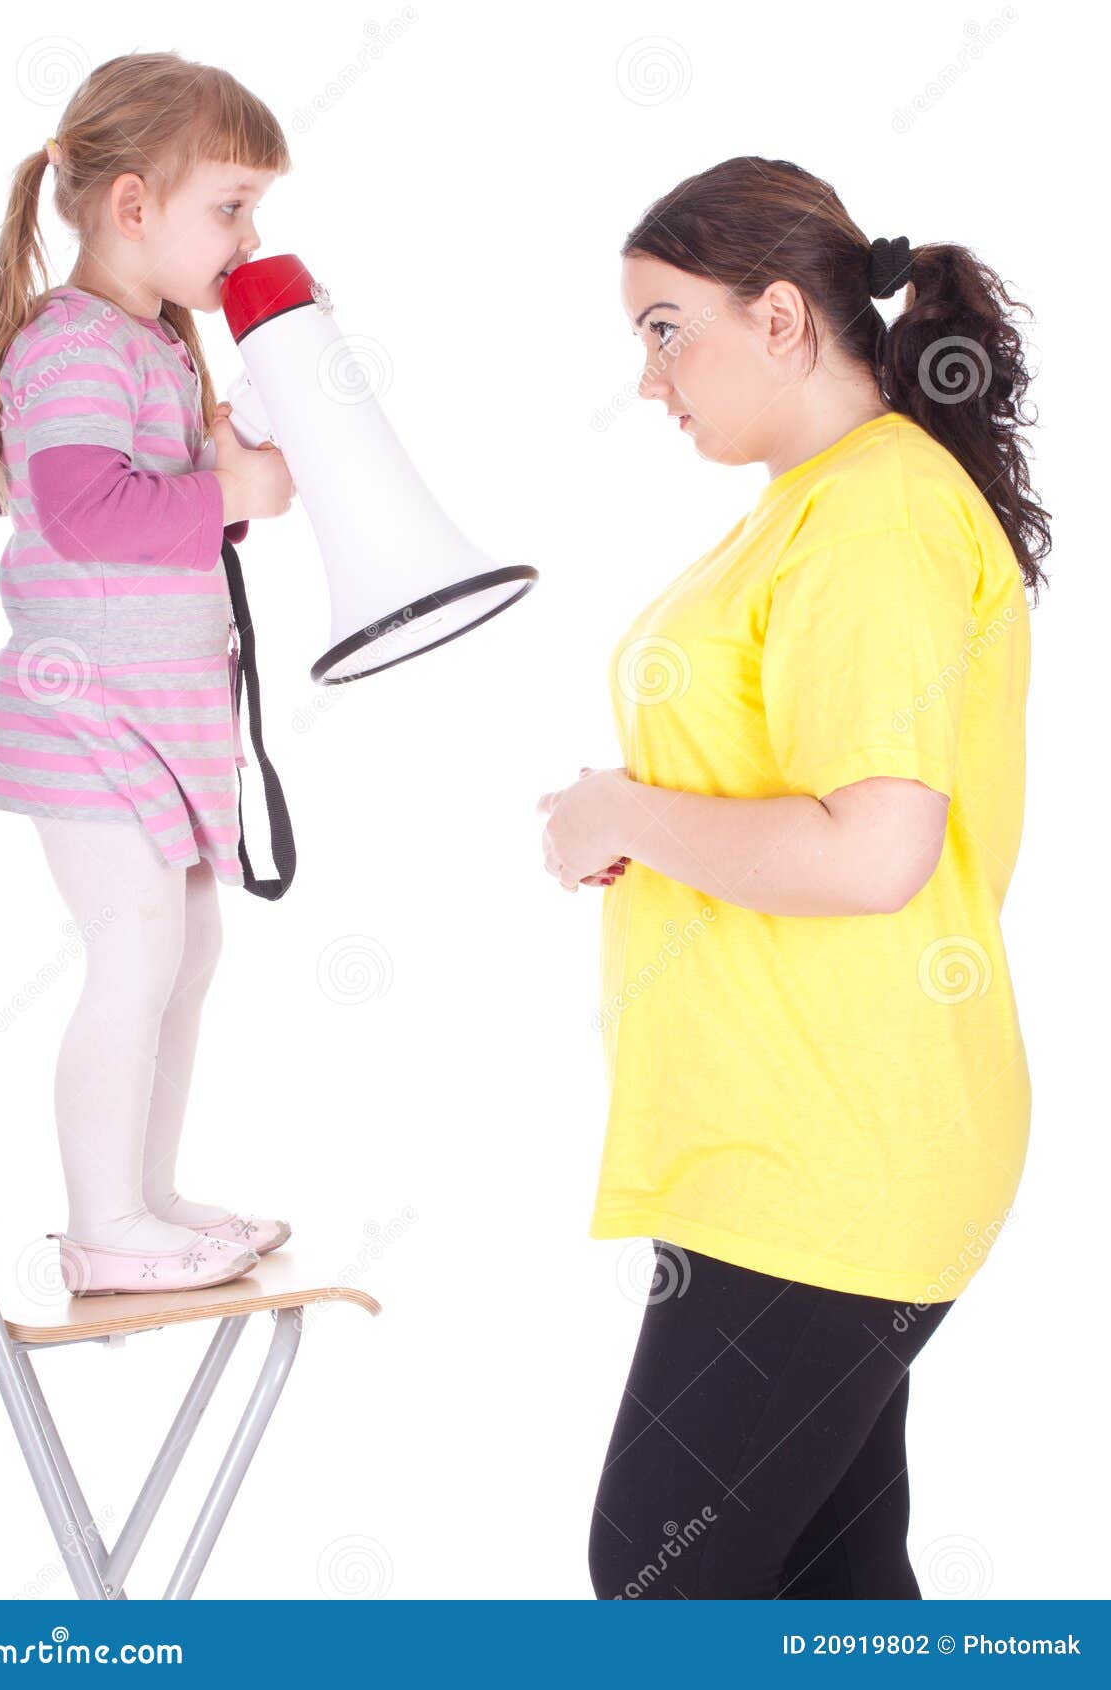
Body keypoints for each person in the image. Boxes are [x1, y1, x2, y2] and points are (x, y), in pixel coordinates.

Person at [537, 156, 1050, 1598]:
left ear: (778, 318)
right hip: (793, 1137)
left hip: (837, 1141)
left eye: (663, 328)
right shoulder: (820, 502)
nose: (648, 378)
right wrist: (644, 824)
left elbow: (874, 850)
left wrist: (620, 809)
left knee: (658, 1577)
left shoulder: (877, 515)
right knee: (829, 1588)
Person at [0, 51, 297, 1296]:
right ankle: (103, 1224)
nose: (249, 234)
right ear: (134, 205)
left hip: (157, 716)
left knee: (187, 950)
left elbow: (157, 514)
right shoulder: (71, 350)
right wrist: (230, 491)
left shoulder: (154, 343)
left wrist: (240, 479)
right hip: (86, 719)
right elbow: (89, 510)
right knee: (137, 948)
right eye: (232, 206)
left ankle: (146, 1198)